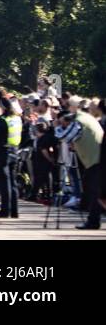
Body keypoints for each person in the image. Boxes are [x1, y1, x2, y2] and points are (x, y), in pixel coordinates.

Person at [67, 97, 102, 230]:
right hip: (96, 159)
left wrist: (59, 129)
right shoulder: (89, 119)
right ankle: (93, 220)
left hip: (95, 160)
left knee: (94, 191)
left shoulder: (79, 120)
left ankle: (93, 221)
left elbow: (67, 136)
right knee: (94, 190)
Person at [0, 95, 21, 218]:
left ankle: (5, 210)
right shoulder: (17, 118)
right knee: (12, 182)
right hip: (14, 150)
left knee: (4, 183)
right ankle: (14, 211)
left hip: (3, 152)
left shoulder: (2, 120)